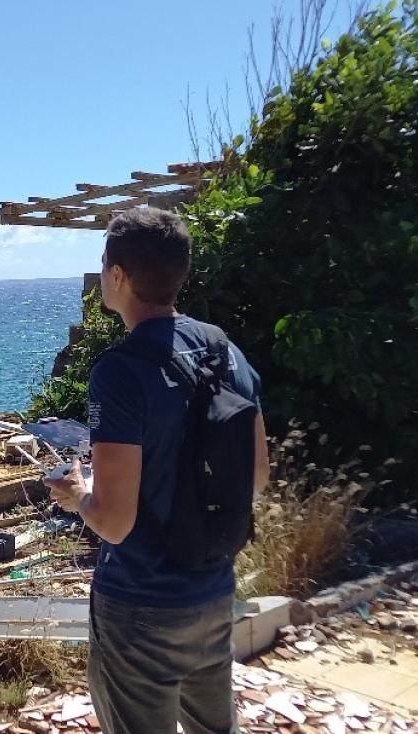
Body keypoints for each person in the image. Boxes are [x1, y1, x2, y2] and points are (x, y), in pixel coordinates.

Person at [44, 207, 269, 734]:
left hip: (142, 606)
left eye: (104, 266)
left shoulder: (120, 373)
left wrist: (78, 494)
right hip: (213, 590)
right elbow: (257, 476)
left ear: (118, 275)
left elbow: (116, 523)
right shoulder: (225, 351)